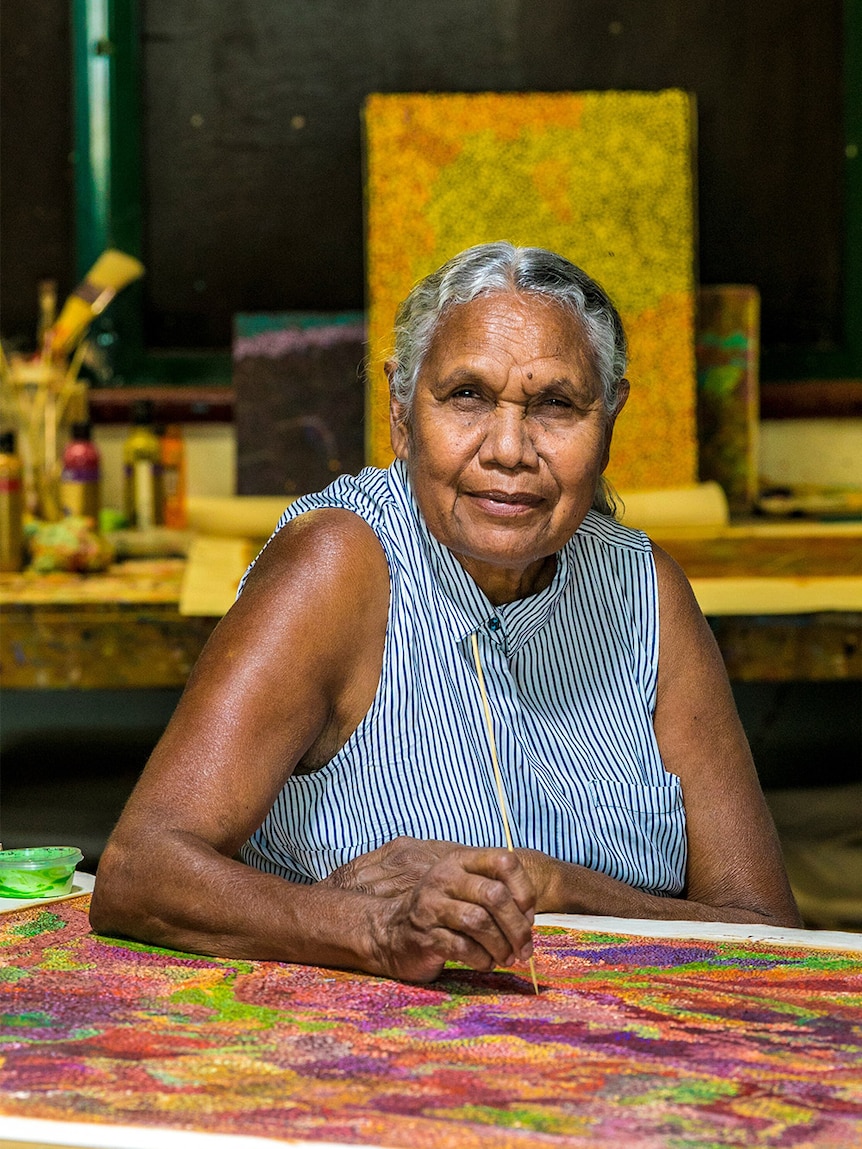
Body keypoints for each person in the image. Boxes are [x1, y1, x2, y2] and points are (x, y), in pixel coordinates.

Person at [91, 242, 801, 982]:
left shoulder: (645, 592)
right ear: (401, 410)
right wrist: (377, 929)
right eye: (467, 395)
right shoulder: (339, 565)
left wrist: (560, 887)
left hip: (615, 1065)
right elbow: (142, 870)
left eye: (556, 404)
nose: (508, 450)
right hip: (359, 1061)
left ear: (611, 417)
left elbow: (770, 931)